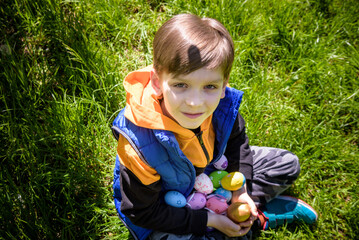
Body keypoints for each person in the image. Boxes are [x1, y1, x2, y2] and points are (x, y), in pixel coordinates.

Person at [111, 13, 317, 240]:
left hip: (211, 175)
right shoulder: (139, 146)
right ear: (158, 82)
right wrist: (210, 219)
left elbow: (237, 143)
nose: (195, 102)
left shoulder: (222, 105)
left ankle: (245, 210)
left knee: (286, 165)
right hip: (168, 209)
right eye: (181, 85)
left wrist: (240, 192)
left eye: (209, 86)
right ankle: (256, 219)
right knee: (231, 235)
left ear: (223, 86)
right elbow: (142, 212)